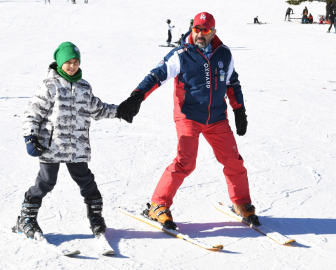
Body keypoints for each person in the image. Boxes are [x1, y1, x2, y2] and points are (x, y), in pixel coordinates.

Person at [117, 12, 260, 230]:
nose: (200, 34)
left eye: (205, 30)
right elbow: (156, 76)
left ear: (213, 32)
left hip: (217, 117)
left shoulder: (224, 54)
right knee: (186, 162)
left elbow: (232, 83)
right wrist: (137, 96)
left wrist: (239, 110)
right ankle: (158, 205)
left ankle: (241, 203)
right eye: (196, 29)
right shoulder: (181, 54)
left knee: (233, 161)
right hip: (188, 116)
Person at [15, 42, 124, 240]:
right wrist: (30, 137)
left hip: (78, 145)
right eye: (68, 62)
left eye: (75, 62)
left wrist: (120, 111)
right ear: (59, 62)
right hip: (51, 146)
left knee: (86, 181)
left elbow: (98, 109)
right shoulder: (50, 86)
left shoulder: (84, 86)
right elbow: (33, 113)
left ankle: (95, 216)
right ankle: (26, 217)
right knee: (46, 181)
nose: (72, 66)